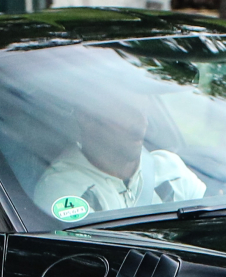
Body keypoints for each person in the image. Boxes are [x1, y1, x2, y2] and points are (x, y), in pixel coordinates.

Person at [30, 93, 206, 223]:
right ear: (87, 118)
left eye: (144, 112)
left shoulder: (171, 169)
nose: (142, 124)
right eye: (128, 112)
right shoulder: (64, 192)